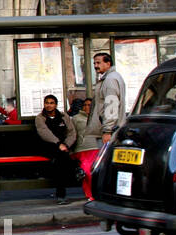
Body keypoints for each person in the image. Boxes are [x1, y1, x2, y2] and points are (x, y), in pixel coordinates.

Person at [77, 53, 127, 199]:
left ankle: (110, 195)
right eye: (94, 63)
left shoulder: (110, 80)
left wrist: (107, 129)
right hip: (112, 129)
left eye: (98, 63)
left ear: (108, 63)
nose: (96, 66)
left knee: (108, 164)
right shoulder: (111, 78)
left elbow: (111, 106)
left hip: (110, 130)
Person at [35, 94, 77, 203]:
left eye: (51, 103)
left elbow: (72, 132)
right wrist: (59, 144)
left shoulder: (63, 116)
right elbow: (44, 133)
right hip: (48, 146)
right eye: (47, 103)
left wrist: (66, 145)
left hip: (64, 148)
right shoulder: (40, 118)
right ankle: (76, 169)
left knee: (60, 162)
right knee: (62, 158)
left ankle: (61, 195)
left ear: (56, 105)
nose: (49, 105)